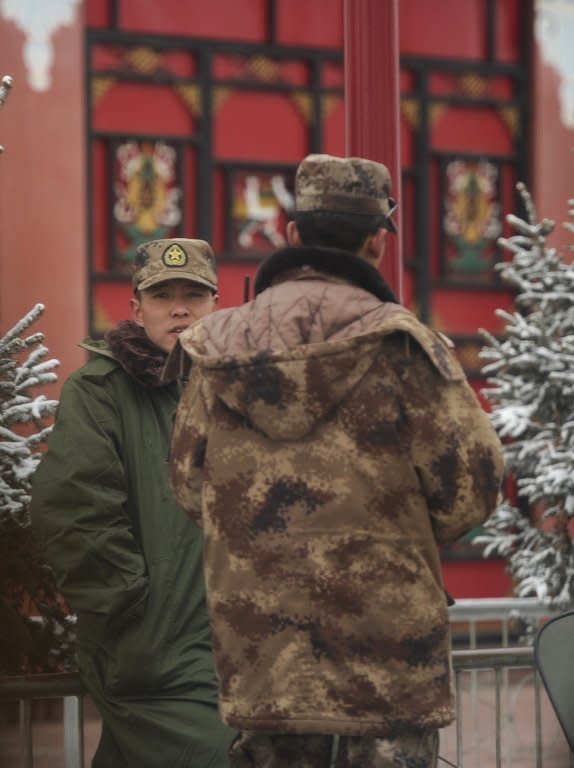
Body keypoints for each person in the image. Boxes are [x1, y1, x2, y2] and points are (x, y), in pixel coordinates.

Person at [167, 155, 505, 768]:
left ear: (293, 235)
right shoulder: (406, 348)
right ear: (378, 242)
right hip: (389, 672)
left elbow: (190, 489)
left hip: (264, 667)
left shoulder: (213, 353)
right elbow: (474, 488)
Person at [30, 238, 236, 768]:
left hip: (229, 650)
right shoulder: (100, 391)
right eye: (163, 294)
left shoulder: (237, 391)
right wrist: (133, 610)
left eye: (194, 293)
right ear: (136, 308)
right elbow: (72, 509)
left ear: (216, 303)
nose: (180, 307)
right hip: (153, 653)